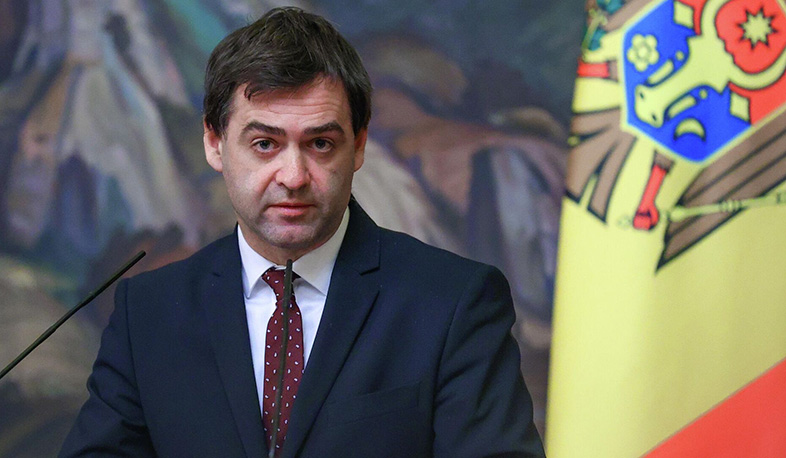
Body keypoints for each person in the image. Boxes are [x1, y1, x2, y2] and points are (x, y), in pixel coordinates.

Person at [59, 7, 545, 457]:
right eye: (264, 144)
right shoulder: (147, 312)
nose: (293, 176)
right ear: (214, 144)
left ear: (359, 146)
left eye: (320, 144)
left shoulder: (455, 302)